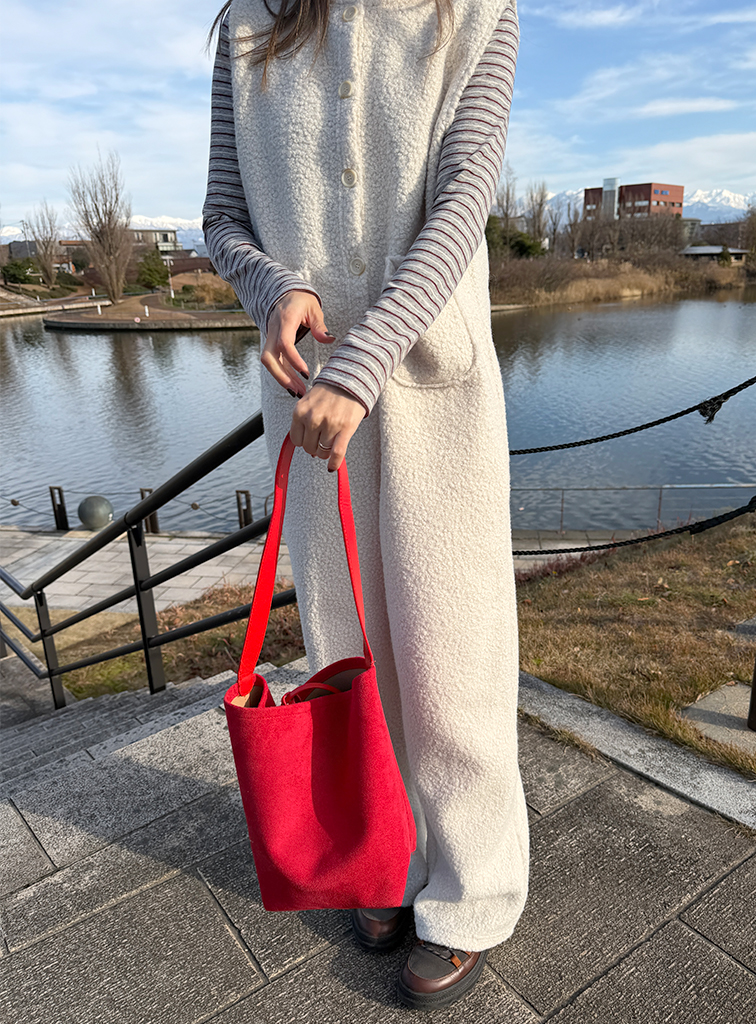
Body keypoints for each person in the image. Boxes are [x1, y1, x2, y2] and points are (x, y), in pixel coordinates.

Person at [203, 0, 529, 1009]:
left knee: (453, 652)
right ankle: (387, 852)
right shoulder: (251, 22)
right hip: (307, 394)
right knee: (346, 645)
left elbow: (463, 199)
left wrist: (368, 358)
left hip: (432, 384)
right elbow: (221, 216)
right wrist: (271, 288)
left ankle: (472, 889)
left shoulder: (477, 12)